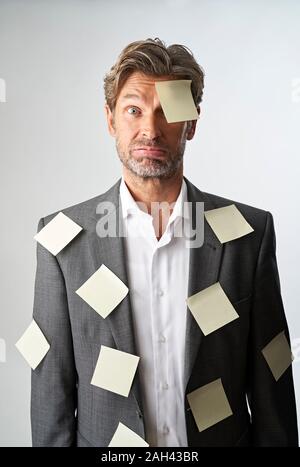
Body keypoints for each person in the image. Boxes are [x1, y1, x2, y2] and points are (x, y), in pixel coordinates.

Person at [31, 38, 298, 447]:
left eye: (169, 111)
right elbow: (51, 403)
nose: (150, 129)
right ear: (110, 119)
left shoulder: (250, 236)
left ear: (192, 122)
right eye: (134, 110)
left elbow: (272, 389)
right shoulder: (62, 242)